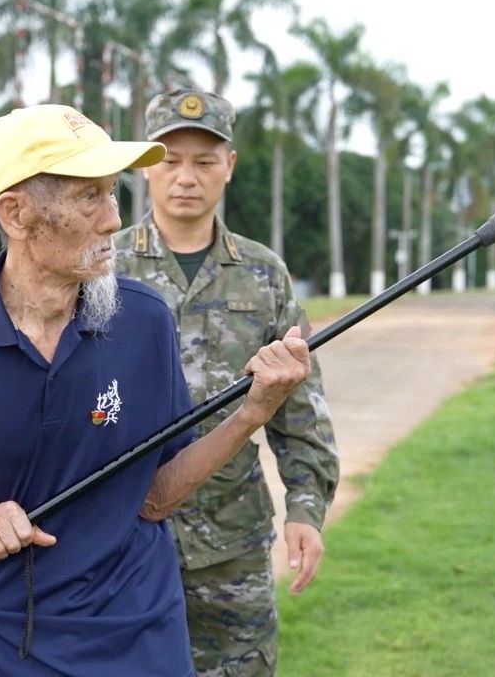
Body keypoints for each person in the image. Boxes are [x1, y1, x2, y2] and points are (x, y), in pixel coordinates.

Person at [0, 104, 312, 676]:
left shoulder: (143, 320)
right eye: (88, 197)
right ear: (16, 212)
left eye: (112, 194)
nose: (111, 220)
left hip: (132, 625)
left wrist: (253, 411)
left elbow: (156, 495)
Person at [113, 89, 340, 676]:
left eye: (205, 161)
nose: (186, 177)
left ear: (229, 167)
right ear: (143, 166)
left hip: (230, 545)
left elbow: (300, 407)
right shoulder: (101, 267)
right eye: (169, 159)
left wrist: (306, 510)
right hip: (123, 539)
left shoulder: (264, 275)